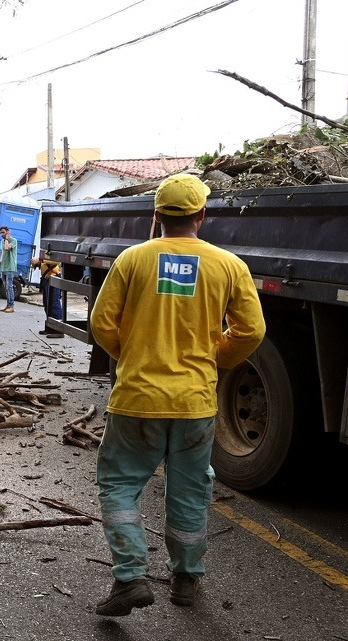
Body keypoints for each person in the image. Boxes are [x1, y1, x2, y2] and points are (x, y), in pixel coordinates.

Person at [89, 173, 265, 616]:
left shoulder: (132, 260)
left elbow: (101, 322)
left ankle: (130, 578)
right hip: (194, 403)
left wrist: (130, 356)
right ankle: (186, 580)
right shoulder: (228, 265)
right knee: (189, 491)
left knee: (120, 486)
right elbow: (252, 330)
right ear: (201, 217)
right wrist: (219, 357)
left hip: (136, 400)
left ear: (157, 216)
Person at [31, 255, 63, 334]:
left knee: (54, 304)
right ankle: (50, 327)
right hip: (47, 280)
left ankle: (58, 330)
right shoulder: (44, 256)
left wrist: (42, 260)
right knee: (47, 305)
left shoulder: (49, 255)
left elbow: (58, 261)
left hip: (54, 279)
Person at [0, 226, 18, 313]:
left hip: (10, 267)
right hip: (3, 267)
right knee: (6, 287)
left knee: (9, 287)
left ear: (7, 232)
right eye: (1, 233)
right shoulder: (1, 241)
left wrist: (7, 239)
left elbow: (7, 248)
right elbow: (2, 252)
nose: (1, 234)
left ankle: (11, 306)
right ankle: (8, 305)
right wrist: (0, 260)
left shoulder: (13, 240)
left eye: (3, 232)